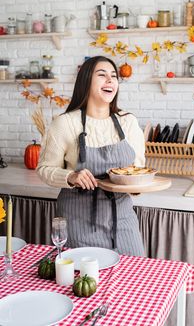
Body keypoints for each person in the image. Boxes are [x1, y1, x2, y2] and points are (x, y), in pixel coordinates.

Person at [37, 56, 146, 256]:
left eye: (114, 76)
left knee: (134, 277)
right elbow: (44, 169)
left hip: (122, 219)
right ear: (86, 81)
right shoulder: (64, 123)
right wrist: (70, 177)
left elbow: (138, 169)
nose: (110, 80)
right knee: (84, 284)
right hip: (78, 220)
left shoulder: (128, 122)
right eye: (102, 75)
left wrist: (136, 186)